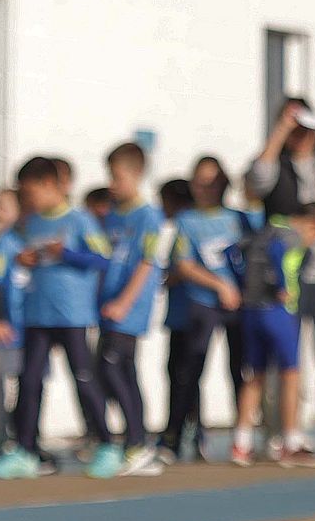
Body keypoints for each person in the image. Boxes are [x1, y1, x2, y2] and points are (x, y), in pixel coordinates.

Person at [0, 157, 111, 479]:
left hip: (73, 315)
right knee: (29, 382)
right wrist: (23, 260)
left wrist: (66, 253)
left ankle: (108, 445)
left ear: (49, 186)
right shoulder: (30, 224)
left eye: (30, 193)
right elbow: (18, 262)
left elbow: (102, 258)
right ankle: (27, 451)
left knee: (83, 378)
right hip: (37, 315)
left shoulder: (79, 220)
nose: (27, 201)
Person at [246, 100, 315, 455]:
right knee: (284, 359)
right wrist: (278, 132)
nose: (301, 135)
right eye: (294, 127)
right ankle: (280, 431)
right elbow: (255, 181)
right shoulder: (275, 165)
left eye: (305, 126)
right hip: (286, 279)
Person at [230, 205, 315, 469]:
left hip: (252, 309)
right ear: (312, 225)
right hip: (279, 311)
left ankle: (241, 442)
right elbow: (277, 253)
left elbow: (233, 252)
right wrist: (281, 286)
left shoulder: (264, 228)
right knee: (290, 374)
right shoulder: (291, 235)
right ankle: (291, 441)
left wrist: (242, 284)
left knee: (255, 375)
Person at [165, 156, 253, 462]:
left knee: (241, 371)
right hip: (203, 304)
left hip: (238, 307)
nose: (206, 188)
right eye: (199, 181)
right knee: (189, 371)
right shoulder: (186, 221)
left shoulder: (240, 218)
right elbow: (183, 264)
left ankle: (243, 437)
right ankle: (175, 437)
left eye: (212, 181)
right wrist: (219, 285)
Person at [93, 142, 167, 478]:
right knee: (119, 370)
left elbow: (147, 263)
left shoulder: (148, 216)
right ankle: (136, 441)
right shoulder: (112, 214)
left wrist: (125, 301)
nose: (112, 183)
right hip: (108, 305)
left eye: (117, 176)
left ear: (136, 175)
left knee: (113, 367)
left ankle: (138, 442)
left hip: (129, 308)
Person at [0, 188, 30, 457]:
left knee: (18, 383)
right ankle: (2, 432)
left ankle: (16, 433)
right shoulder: (1, 243)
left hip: (22, 326)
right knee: (2, 382)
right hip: (10, 327)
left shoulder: (17, 242)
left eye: (4, 206)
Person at [157, 178, 197, 461]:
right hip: (182, 315)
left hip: (190, 314)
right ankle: (192, 435)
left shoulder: (184, 224)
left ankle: (175, 435)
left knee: (183, 376)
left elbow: (184, 267)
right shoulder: (181, 224)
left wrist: (168, 276)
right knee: (187, 376)